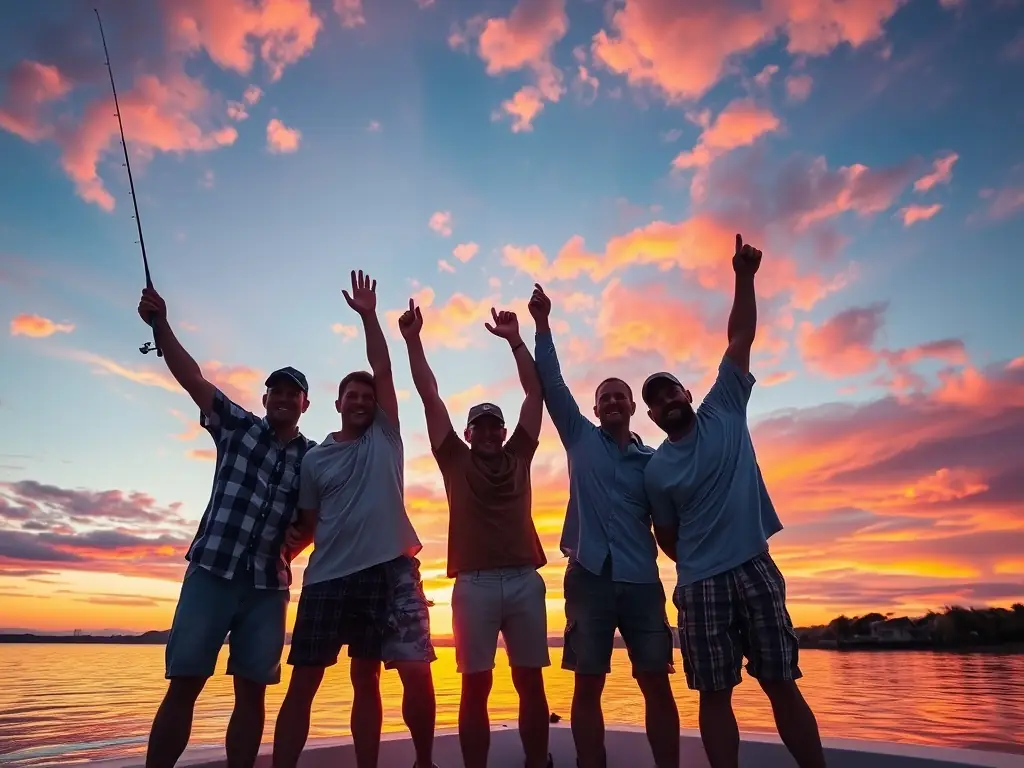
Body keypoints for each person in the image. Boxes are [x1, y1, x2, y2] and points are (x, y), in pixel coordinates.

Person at [642, 235, 826, 768]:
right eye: (654, 402)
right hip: (699, 584)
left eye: (670, 392)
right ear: (651, 418)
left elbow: (740, 335)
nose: (664, 402)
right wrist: (703, 563)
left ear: (687, 394)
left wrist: (744, 278)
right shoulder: (656, 469)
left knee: (781, 683)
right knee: (713, 694)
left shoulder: (725, 405)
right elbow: (667, 538)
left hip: (756, 568)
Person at [136, 286, 316, 768]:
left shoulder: (313, 458)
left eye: (291, 392)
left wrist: (299, 544)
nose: (282, 397)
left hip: (267, 588)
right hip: (212, 572)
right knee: (185, 684)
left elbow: (316, 516)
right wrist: (161, 325)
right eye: (275, 390)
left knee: (252, 694)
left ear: (304, 404)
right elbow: (190, 376)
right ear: (265, 397)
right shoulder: (237, 425)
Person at [271, 271, 437, 768]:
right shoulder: (315, 460)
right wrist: (282, 555)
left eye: (368, 396)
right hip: (326, 579)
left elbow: (383, 369)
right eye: (353, 396)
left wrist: (369, 316)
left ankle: (416, 761)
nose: (363, 400)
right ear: (338, 404)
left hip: (386, 571)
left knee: (368, 676)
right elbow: (309, 523)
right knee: (304, 679)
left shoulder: (386, 437)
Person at [530, 284, 679, 768]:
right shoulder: (578, 438)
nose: (612, 402)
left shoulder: (652, 463)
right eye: (604, 398)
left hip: (641, 581)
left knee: (655, 680)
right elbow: (552, 384)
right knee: (587, 682)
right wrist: (542, 325)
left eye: (620, 397)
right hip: (588, 577)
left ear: (634, 408)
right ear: (594, 410)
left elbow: (669, 523)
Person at [399, 299, 552, 768]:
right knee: (475, 685)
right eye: (479, 426)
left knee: (531, 683)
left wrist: (516, 341)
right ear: (467, 434)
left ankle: (536, 761)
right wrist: (413, 340)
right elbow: (430, 396)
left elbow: (534, 396)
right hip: (474, 584)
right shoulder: (454, 459)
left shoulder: (521, 452)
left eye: (494, 426)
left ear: (504, 431)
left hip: (526, 580)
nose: (488, 432)